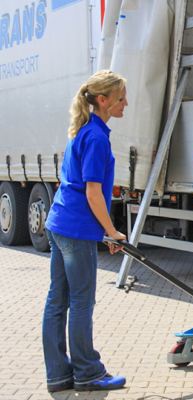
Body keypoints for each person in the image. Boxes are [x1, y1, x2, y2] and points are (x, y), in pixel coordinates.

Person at [43, 70, 128, 393]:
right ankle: (88, 372)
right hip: (76, 228)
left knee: (57, 302)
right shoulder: (95, 137)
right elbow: (93, 192)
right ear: (103, 100)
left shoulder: (82, 130)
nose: (126, 104)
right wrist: (112, 231)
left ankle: (59, 375)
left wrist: (104, 232)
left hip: (60, 223)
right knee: (81, 302)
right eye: (121, 98)